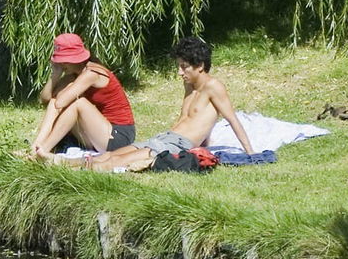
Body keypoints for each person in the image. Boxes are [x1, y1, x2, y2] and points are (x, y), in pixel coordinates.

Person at [79, 35, 253, 172]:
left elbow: (232, 119)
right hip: (165, 137)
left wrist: (250, 153)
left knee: (114, 162)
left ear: (200, 66)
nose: (180, 72)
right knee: (106, 156)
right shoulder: (190, 85)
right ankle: (61, 164)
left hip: (177, 145)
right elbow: (194, 118)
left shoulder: (213, 87)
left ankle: (80, 175)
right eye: (179, 66)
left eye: (184, 67)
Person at [24, 32, 136, 158]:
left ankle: (43, 151)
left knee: (78, 103)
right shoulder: (73, 75)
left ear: (75, 59)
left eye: (63, 61)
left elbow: (61, 102)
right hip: (97, 135)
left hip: (118, 136)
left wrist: (66, 88)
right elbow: (45, 99)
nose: (61, 65)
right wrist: (54, 76)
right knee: (55, 100)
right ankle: (36, 147)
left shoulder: (92, 73)